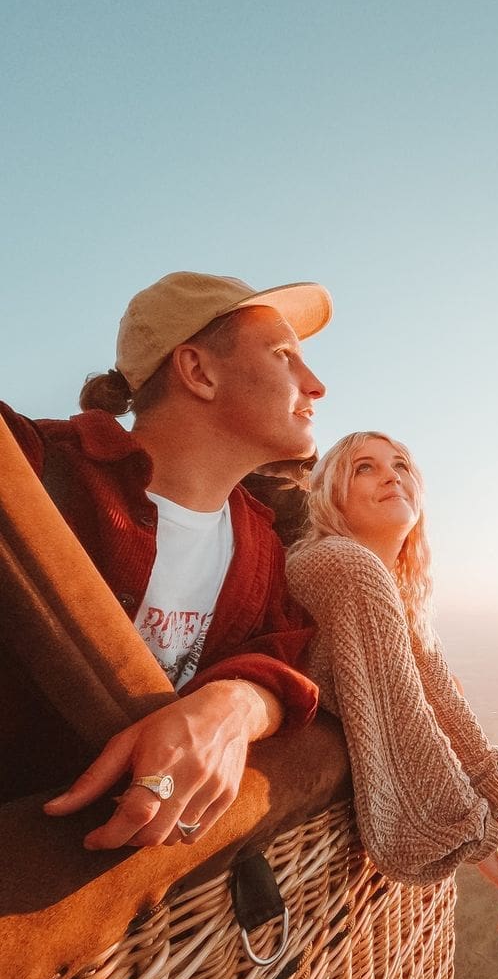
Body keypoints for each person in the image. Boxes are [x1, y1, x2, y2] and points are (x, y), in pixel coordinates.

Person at [0, 271, 331, 849]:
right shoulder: (30, 467)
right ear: (199, 372)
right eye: (284, 355)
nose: (316, 384)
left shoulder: (262, 545)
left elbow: (284, 656)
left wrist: (236, 704)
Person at [286, 432, 498, 930]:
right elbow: (402, 712)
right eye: (364, 467)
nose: (391, 475)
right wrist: (478, 839)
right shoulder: (340, 563)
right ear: (331, 494)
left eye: (400, 464)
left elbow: (442, 699)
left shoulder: (393, 586)